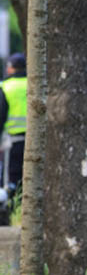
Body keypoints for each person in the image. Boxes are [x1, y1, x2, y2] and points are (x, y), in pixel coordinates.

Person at [0, 53, 27, 192]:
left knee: (10, 181)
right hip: (35, 141)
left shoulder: (6, 86)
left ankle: (12, 210)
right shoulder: (34, 84)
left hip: (13, 142)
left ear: (11, 68)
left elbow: (1, 116)